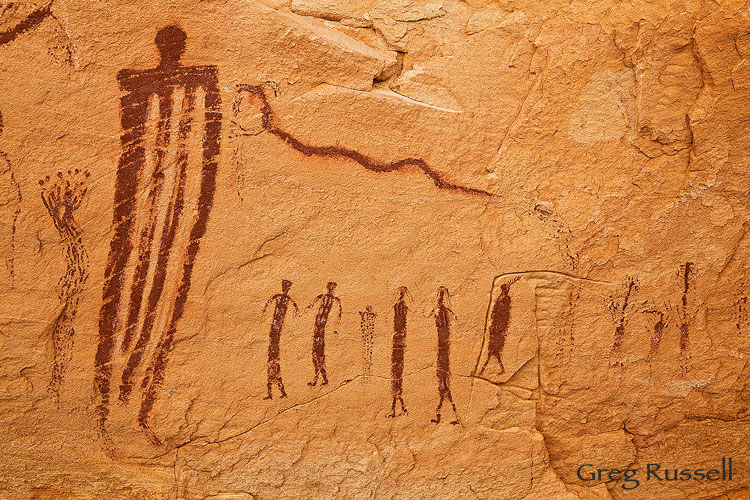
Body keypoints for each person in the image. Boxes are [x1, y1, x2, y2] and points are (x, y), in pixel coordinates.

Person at [262, 279, 298, 399]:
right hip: (275, 327)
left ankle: (278, 393)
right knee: (273, 370)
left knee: (274, 369)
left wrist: (296, 312)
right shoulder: (283, 298)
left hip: (276, 328)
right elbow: (268, 303)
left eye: (286, 287)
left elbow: (268, 303)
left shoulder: (285, 299)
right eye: (284, 287)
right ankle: (274, 394)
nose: (284, 289)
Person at [430, 286, 459, 424]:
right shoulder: (445, 312)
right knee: (446, 397)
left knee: (445, 396)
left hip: (443, 352)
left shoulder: (442, 312)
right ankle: (449, 417)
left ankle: (444, 417)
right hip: (443, 352)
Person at [306, 282, 341, 386]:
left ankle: (318, 379)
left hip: (320, 334)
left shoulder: (335, 301)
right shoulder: (326, 298)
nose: (331, 289)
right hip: (318, 332)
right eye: (330, 288)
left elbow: (338, 317)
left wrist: (335, 330)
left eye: (332, 288)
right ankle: (322, 379)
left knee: (317, 356)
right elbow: (311, 305)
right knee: (317, 356)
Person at [388, 287, 411, 417]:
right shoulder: (400, 307)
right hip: (397, 347)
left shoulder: (399, 307)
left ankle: (399, 409)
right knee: (396, 380)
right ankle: (400, 409)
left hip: (398, 348)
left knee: (396, 380)